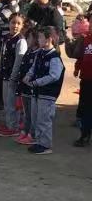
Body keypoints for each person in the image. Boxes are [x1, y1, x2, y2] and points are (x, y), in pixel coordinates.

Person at [23, 27, 65, 155]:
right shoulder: (40, 53)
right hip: (37, 92)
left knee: (44, 119)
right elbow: (33, 68)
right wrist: (28, 76)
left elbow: (54, 76)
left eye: (41, 37)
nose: (38, 40)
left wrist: (37, 82)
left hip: (47, 94)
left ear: (49, 39)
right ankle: (39, 141)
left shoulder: (54, 57)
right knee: (36, 118)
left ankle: (45, 144)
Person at [0, 13, 27, 137]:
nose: (15, 25)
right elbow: (1, 56)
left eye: (19, 23)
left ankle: (14, 127)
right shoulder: (6, 38)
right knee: (6, 102)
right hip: (5, 74)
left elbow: (19, 61)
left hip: (13, 78)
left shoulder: (21, 41)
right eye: (13, 22)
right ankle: (9, 124)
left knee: (12, 103)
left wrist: (14, 77)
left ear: (22, 26)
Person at [66, 15, 92, 147]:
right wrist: (77, 69)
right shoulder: (86, 40)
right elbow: (81, 57)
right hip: (86, 79)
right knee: (86, 108)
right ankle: (85, 135)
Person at [15, 28, 40, 145]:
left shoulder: (38, 54)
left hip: (31, 88)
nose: (27, 40)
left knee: (32, 113)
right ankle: (25, 131)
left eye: (29, 38)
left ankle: (32, 134)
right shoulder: (28, 52)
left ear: (35, 39)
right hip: (24, 87)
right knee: (26, 113)